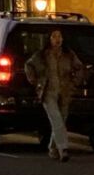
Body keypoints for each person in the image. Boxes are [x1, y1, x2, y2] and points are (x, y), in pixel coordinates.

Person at [25, 29, 86, 162]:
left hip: (65, 91)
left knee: (61, 120)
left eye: (59, 36)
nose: (57, 39)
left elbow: (79, 67)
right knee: (56, 119)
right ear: (50, 39)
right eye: (54, 37)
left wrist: (75, 82)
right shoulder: (42, 55)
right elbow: (29, 66)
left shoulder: (68, 55)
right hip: (48, 92)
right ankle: (63, 148)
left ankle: (52, 148)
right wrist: (35, 82)